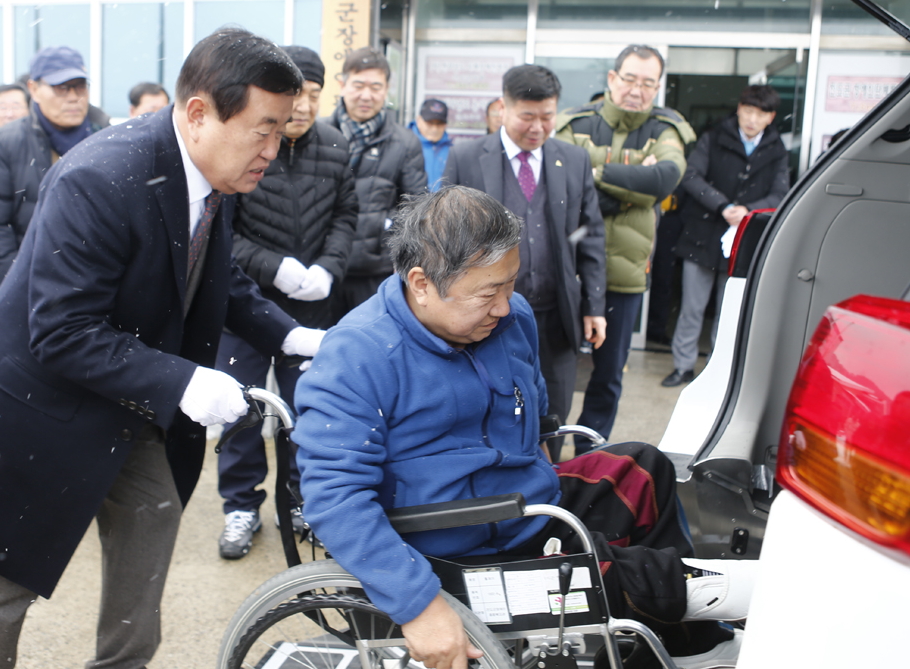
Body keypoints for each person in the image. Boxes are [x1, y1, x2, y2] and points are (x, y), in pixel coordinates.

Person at [0, 28, 327, 669]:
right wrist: (186, 383)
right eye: (264, 130)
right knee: (6, 583)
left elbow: (217, 279)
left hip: (130, 397)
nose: (274, 152)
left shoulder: (212, 175)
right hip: (42, 408)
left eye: (283, 131)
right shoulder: (102, 178)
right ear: (199, 113)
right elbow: (61, 330)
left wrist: (290, 334)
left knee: (153, 521)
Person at [294, 188, 755, 669]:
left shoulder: (512, 320)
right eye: (487, 293)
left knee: (643, 470)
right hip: (456, 546)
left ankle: (676, 635)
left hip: (526, 502)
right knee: (631, 577)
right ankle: (686, 623)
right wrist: (418, 605)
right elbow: (334, 498)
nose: (503, 306)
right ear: (422, 283)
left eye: (510, 284)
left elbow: (535, 419)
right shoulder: (359, 354)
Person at [216, 45, 357, 559]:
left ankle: (303, 501)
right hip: (245, 306)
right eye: (294, 98)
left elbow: (347, 215)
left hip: (313, 308)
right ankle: (240, 505)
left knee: (312, 410)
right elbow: (223, 233)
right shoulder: (248, 144)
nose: (301, 109)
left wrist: (329, 267)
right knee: (242, 407)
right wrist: (274, 267)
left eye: (313, 97)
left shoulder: (336, 147)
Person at [443, 65, 607, 453]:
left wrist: (594, 305)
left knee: (556, 413)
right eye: (527, 117)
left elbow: (592, 234)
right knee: (497, 410)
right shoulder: (467, 157)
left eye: (547, 116)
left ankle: (554, 484)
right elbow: (444, 237)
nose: (538, 127)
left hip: (556, 315)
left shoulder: (573, 159)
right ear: (504, 109)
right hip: (491, 317)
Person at [555, 45, 695, 447]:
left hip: (625, 275)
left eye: (648, 83)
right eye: (630, 79)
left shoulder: (667, 129)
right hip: (571, 268)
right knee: (555, 371)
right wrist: (634, 189)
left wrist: (592, 173)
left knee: (607, 375)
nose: (638, 90)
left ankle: (589, 459)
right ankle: (546, 454)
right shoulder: (575, 123)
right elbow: (561, 185)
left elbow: (665, 179)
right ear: (612, 79)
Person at [664, 85, 789, 387]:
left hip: (743, 239)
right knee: (692, 308)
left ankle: (716, 371)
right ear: (739, 109)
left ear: (770, 117)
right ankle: (682, 366)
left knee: (728, 309)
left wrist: (747, 210)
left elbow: (780, 192)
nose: (751, 119)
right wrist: (723, 205)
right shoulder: (713, 137)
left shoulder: (776, 149)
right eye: (748, 111)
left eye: (760, 114)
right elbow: (692, 177)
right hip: (702, 233)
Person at [0, 46, 110, 310]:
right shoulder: (2, 143)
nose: (73, 98)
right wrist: (16, 291)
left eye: (80, 87)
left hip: (93, 289)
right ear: (34, 89)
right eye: (61, 88)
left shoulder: (107, 139)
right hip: (25, 287)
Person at [327, 47, 427, 316]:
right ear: (342, 84)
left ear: (386, 89)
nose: (366, 95)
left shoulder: (405, 142)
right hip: (322, 267)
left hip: (377, 271)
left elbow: (416, 209)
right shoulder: (319, 134)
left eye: (375, 87)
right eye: (358, 85)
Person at [410, 98, 453, 192]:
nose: (434, 129)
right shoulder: (405, 145)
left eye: (439, 124)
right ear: (419, 121)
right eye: (430, 123)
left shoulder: (452, 151)